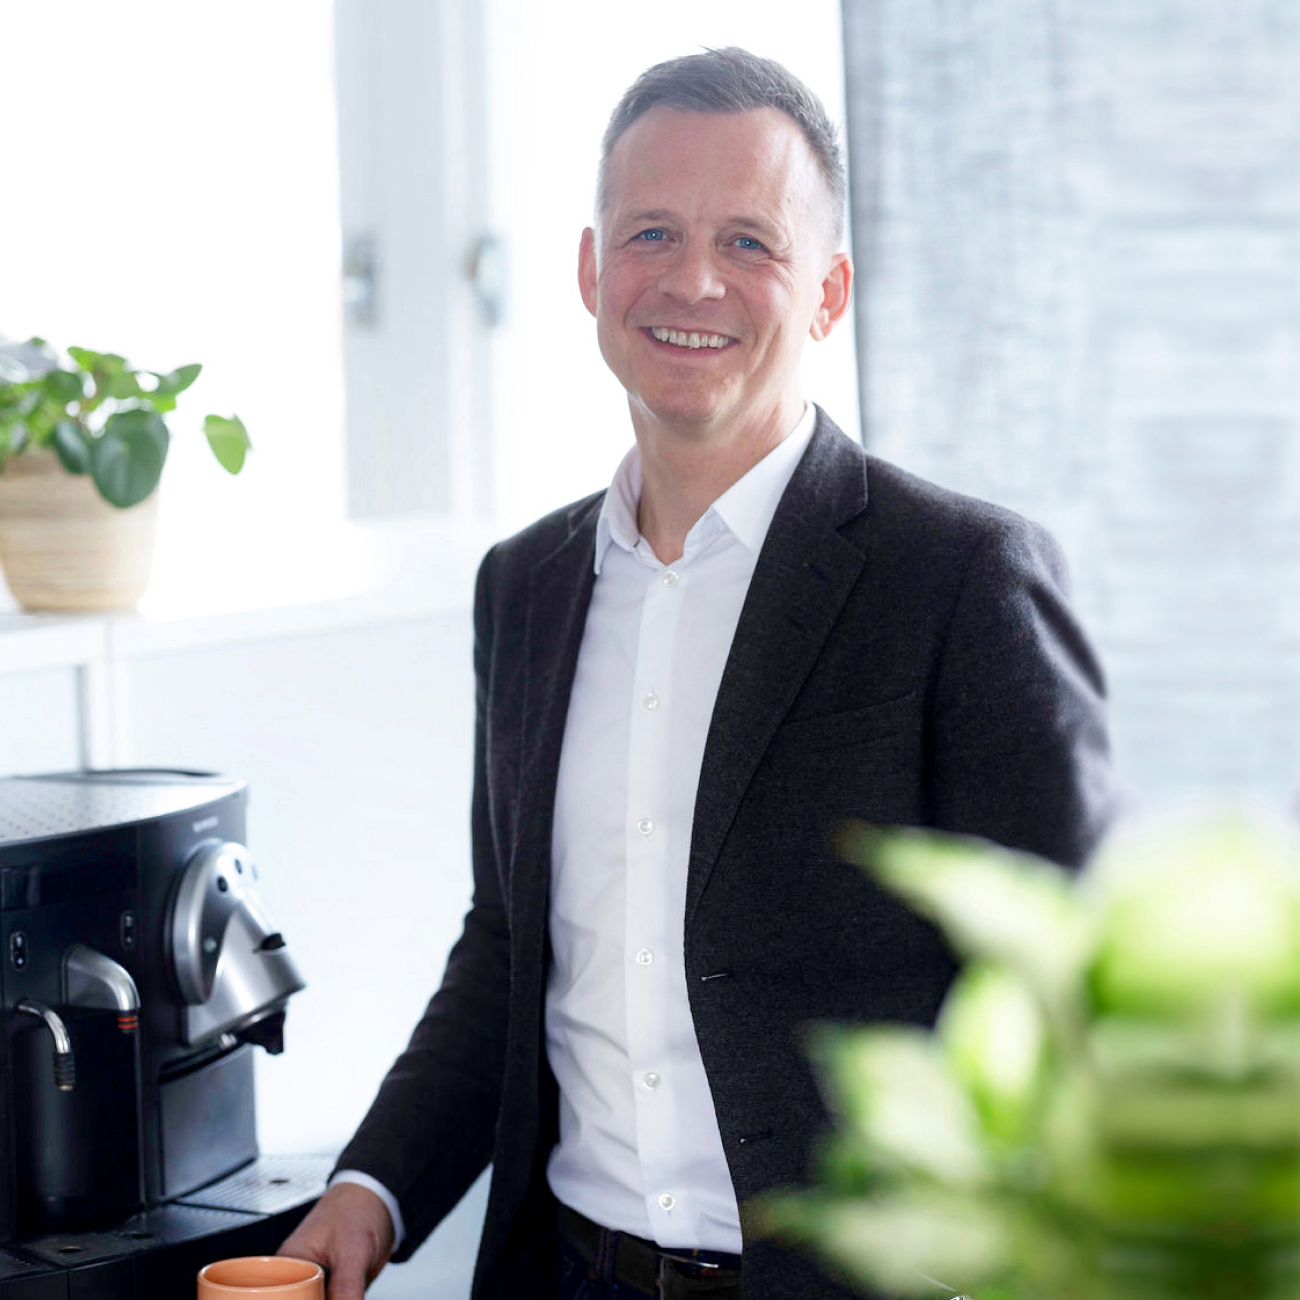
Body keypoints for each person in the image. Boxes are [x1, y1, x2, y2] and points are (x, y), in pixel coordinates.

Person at [281, 47, 1113, 1300]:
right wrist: (372, 1187)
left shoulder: (960, 578)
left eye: (748, 242)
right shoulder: (525, 587)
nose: (691, 281)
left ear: (828, 293)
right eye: (652, 232)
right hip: (570, 1275)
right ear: (589, 269)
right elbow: (509, 948)